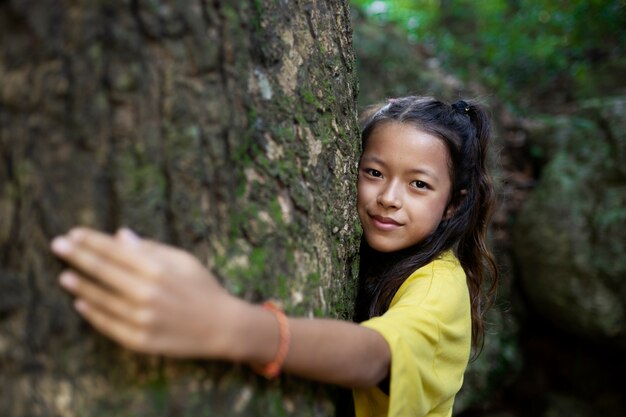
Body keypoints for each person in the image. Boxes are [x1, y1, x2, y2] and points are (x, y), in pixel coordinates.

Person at [51, 96, 498, 417]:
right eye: (374, 173)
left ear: (454, 204)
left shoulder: (440, 284)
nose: (388, 198)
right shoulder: (364, 250)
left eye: (418, 184)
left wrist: (229, 326)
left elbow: (374, 358)